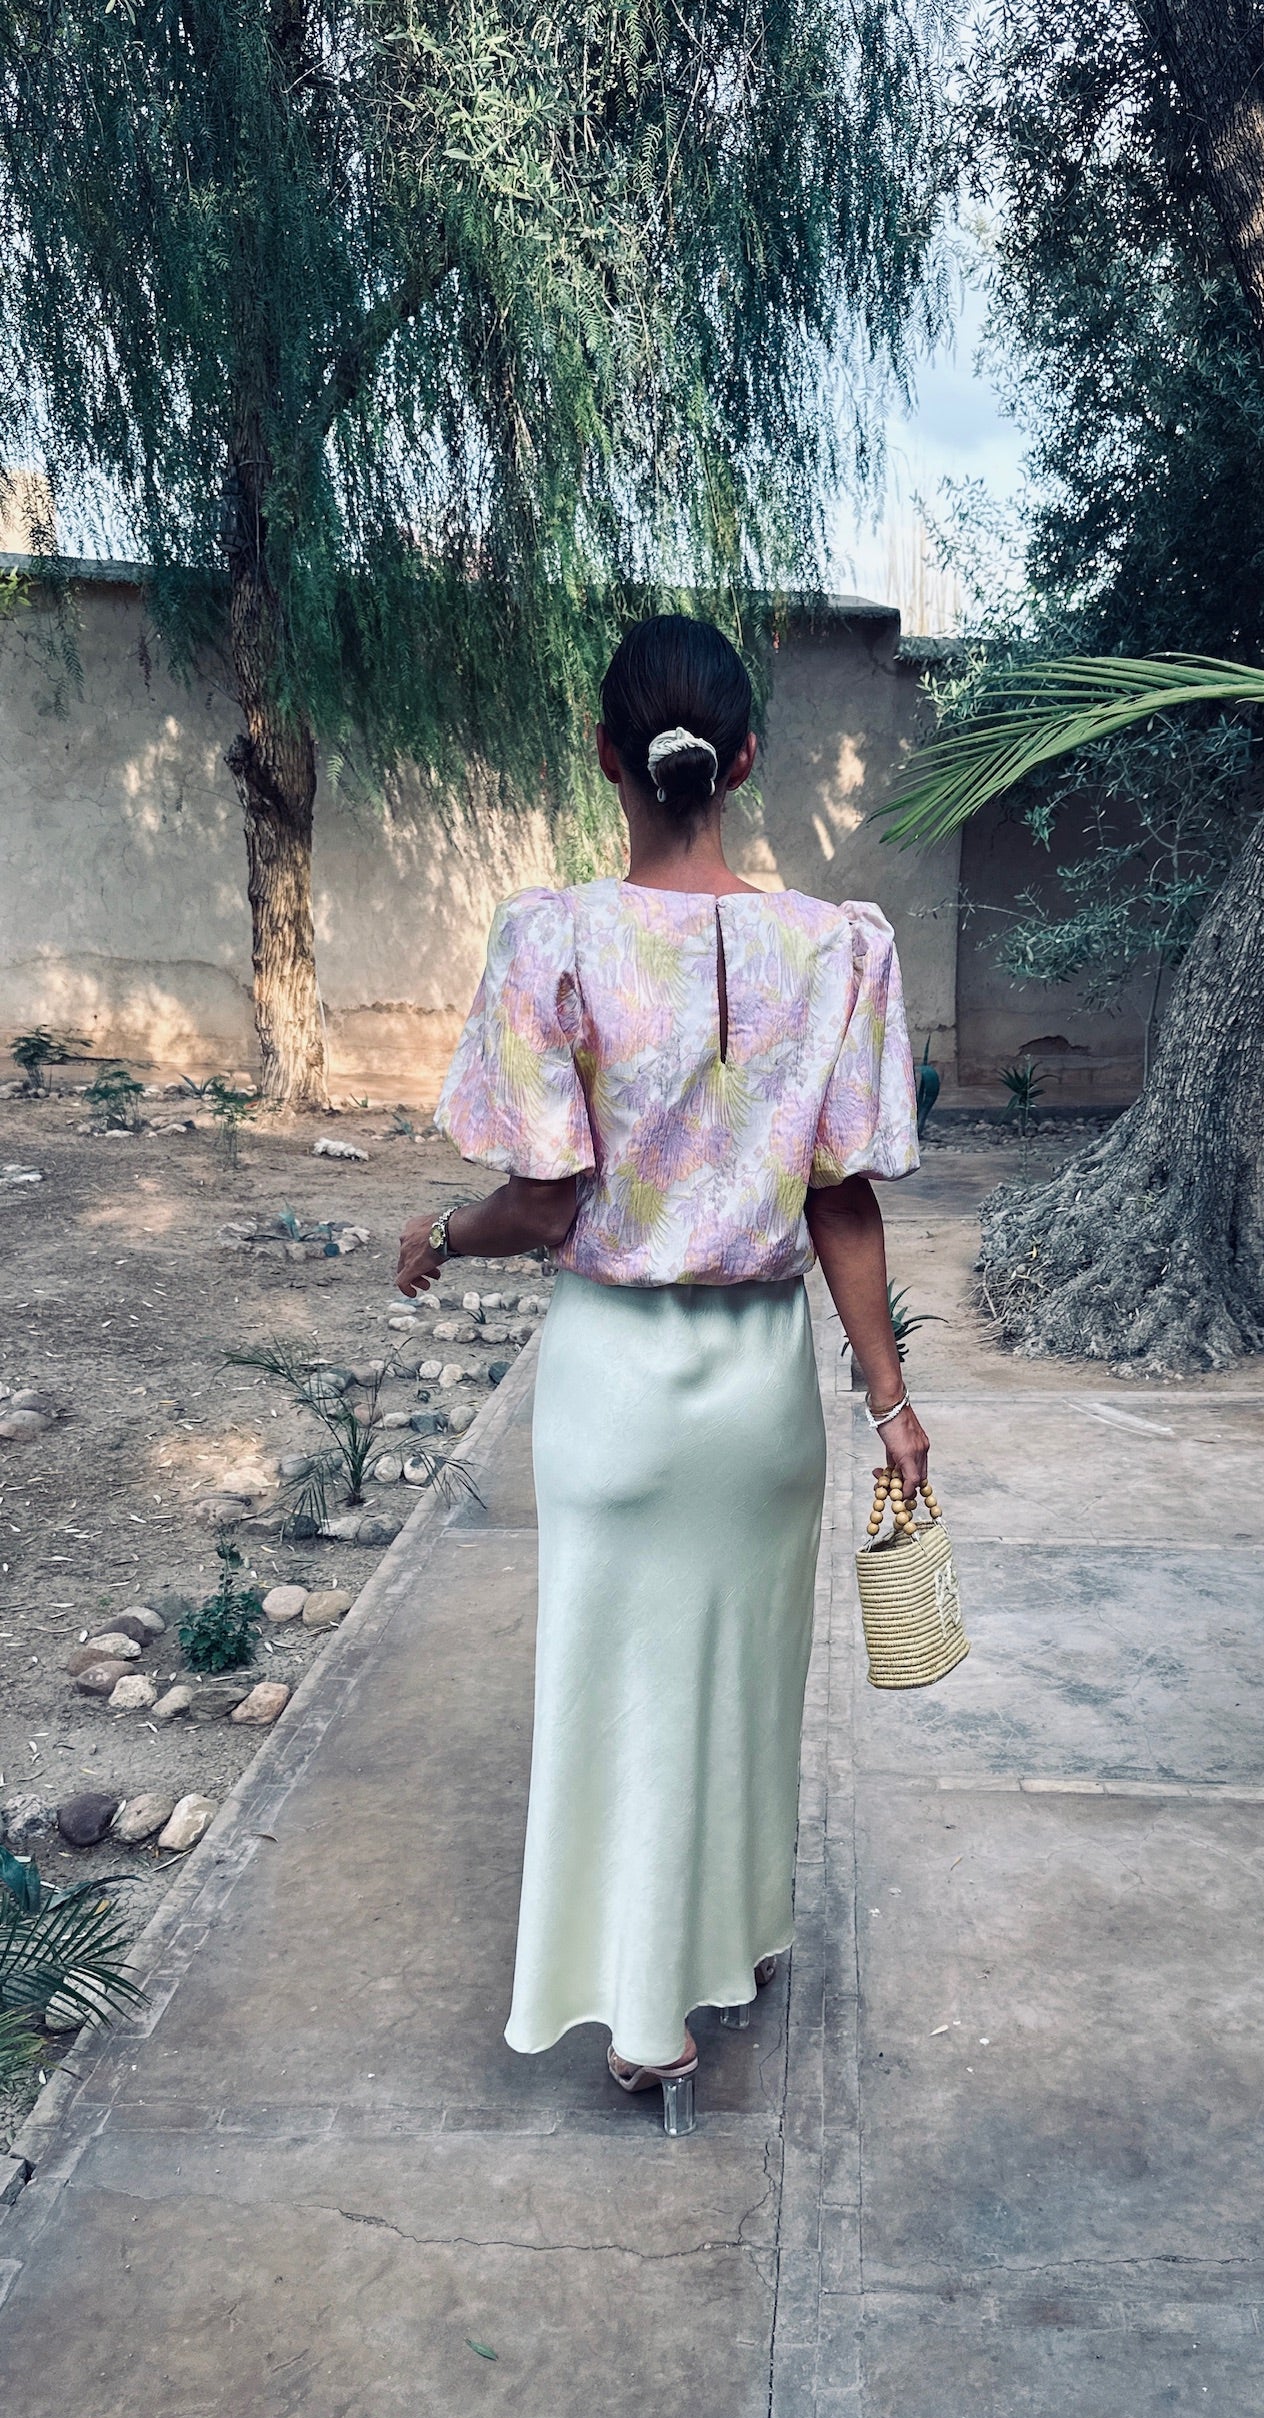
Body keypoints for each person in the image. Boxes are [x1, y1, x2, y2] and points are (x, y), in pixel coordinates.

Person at [397, 613, 929, 2108]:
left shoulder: (554, 939)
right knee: (742, 1679)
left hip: (614, 1390)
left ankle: (645, 2020)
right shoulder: (835, 949)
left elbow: (543, 1200)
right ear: (744, 760)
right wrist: (892, 1404)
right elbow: (842, 1200)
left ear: (606, 757)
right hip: (761, 1393)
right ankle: (729, 1943)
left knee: (617, 1685)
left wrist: (437, 1233)